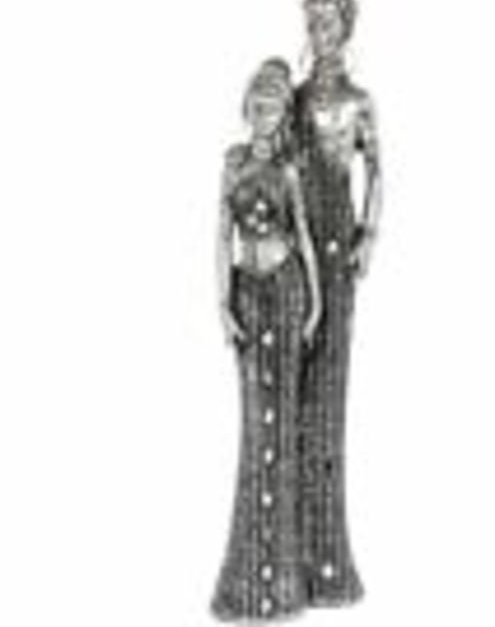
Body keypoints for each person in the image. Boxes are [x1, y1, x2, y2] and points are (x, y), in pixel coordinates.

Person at [211, 58, 322, 621]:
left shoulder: (289, 170)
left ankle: (284, 580)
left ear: (282, 116)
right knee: (257, 425)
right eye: (257, 106)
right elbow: (219, 235)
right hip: (248, 295)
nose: (263, 115)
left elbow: (302, 235)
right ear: (246, 108)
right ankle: (247, 577)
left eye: (273, 108)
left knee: (283, 419)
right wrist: (221, 304)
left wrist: (317, 303)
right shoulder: (233, 163)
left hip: (286, 288)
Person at [294, 0, 383, 607]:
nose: (318, 34)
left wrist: (367, 236)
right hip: (298, 242)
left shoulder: (358, 102)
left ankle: (328, 556)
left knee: (329, 387)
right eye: (312, 24)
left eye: (327, 24)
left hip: (336, 245)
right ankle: (291, 548)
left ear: (345, 30)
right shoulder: (297, 101)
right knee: (297, 384)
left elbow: (376, 172)